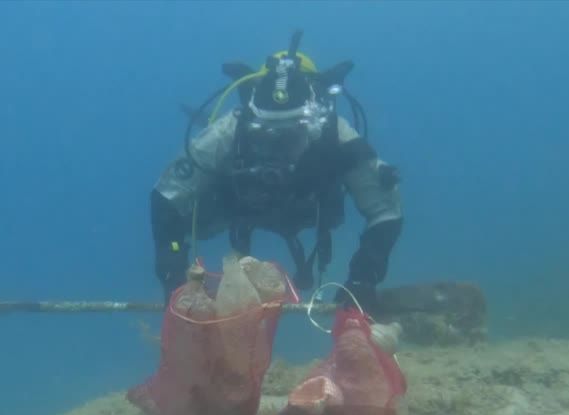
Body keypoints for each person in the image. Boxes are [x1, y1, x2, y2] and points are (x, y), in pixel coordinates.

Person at [150, 31, 403, 316]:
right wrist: (173, 268)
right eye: (264, 134)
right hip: (238, 207)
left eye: (290, 135)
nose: (276, 146)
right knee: (190, 213)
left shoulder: (336, 135)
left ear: (315, 113)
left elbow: (385, 210)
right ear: (250, 111)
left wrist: (363, 278)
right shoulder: (229, 130)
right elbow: (167, 197)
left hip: (308, 208)